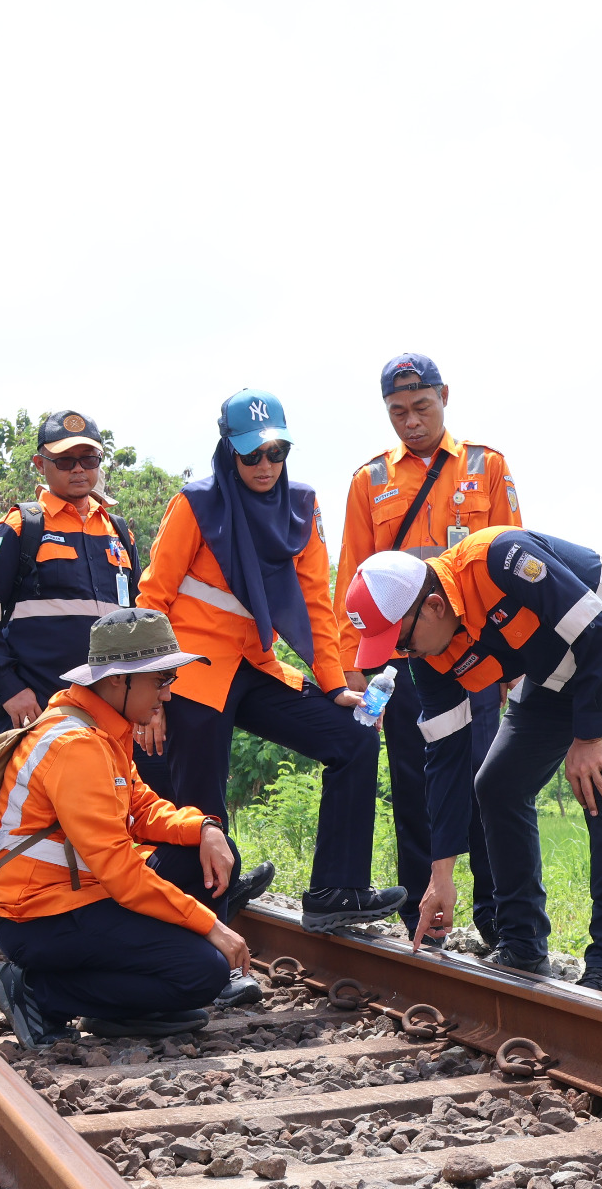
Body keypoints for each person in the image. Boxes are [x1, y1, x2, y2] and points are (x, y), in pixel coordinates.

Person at [345, 528, 602, 994]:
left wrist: (590, 735)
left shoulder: (498, 558)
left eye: (402, 642)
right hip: (558, 666)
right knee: (496, 785)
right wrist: (441, 877)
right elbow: (445, 758)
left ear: (433, 608)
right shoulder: (430, 653)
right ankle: (521, 944)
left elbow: (599, 628)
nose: (403, 655)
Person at [138, 390, 404, 934]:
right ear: (228, 452)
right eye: (251, 455)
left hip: (254, 666)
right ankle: (204, 933)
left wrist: (333, 689)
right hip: (188, 670)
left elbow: (314, 606)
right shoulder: (195, 503)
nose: (265, 466)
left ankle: (337, 892)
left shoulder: (302, 508)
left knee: (352, 736)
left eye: (276, 452)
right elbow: (152, 599)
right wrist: (150, 694)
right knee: (202, 806)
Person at [0, 609, 250, 1047]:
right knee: (201, 972)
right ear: (116, 680)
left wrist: (203, 827)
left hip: (80, 891)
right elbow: (120, 872)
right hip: (40, 915)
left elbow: (141, 807)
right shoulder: (76, 747)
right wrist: (210, 927)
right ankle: (38, 991)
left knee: (206, 851)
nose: (167, 695)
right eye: (160, 681)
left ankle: (128, 1001)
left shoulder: (105, 728)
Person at [334, 352, 522, 948]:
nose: (410, 421)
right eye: (397, 411)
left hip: (477, 650)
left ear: (444, 396)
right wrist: (357, 668)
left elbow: (513, 557)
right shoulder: (369, 481)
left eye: (421, 407)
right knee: (415, 785)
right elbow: (351, 579)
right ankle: (424, 913)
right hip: (404, 657)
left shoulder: (485, 466)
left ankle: (499, 917)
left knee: (487, 781)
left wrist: (514, 664)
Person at [0, 408, 170, 789]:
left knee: (116, 807)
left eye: (88, 459)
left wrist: (152, 700)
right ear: (41, 464)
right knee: (36, 815)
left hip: (109, 707)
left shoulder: (118, 531)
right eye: (65, 460)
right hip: (38, 705)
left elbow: (138, 626)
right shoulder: (20, 527)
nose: (78, 470)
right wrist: (10, 690)